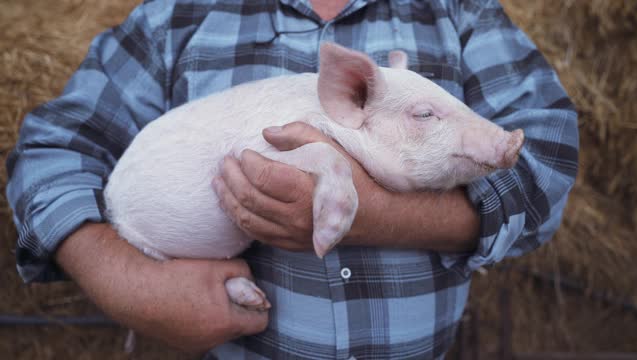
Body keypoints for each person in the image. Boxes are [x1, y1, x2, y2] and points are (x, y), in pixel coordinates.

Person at [5, 0, 578, 358]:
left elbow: (548, 159)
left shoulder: (459, 10)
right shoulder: (176, 16)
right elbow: (51, 147)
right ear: (350, 94)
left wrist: (378, 215)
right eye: (428, 115)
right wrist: (128, 283)